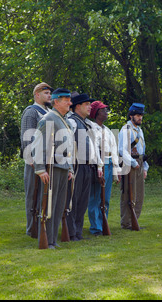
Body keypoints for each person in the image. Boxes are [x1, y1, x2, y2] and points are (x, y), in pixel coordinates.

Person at [31, 88, 74, 249]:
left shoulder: (64, 120)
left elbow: (68, 147)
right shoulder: (48, 118)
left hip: (62, 167)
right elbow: (38, 144)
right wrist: (41, 169)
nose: (70, 103)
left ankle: (52, 240)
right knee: (49, 204)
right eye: (66, 100)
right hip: (52, 167)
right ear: (56, 101)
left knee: (59, 205)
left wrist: (69, 168)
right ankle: (47, 239)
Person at [66, 93, 103, 241]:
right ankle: (70, 232)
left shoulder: (86, 123)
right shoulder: (72, 122)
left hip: (88, 166)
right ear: (78, 106)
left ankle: (78, 232)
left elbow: (93, 146)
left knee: (83, 201)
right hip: (76, 165)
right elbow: (67, 146)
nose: (90, 107)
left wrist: (97, 164)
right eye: (86, 104)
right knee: (73, 200)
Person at [20, 82, 53, 238]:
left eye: (49, 93)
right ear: (37, 95)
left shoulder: (49, 112)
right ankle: (32, 229)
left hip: (48, 161)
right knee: (33, 196)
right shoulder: (31, 112)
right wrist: (31, 159)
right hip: (34, 162)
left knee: (44, 196)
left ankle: (42, 226)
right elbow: (27, 137)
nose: (49, 96)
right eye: (45, 93)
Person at [87, 101, 120, 235]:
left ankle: (103, 222)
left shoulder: (108, 130)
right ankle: (96, 227)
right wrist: (99, 166)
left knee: (105, 198)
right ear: (96, 113)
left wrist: (117, 170)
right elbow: (93, 150)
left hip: (109, 164)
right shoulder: (92, 129)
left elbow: (114, 151)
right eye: (103, 110)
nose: (106, 112)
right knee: (95, 197)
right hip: (99, 165)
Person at [118, 103, 149, 230]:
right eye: (137, 115)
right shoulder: (126, 129)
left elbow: (143, 151)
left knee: (139, 194)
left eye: (141, 115)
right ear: (131, 116)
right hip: (129, 163)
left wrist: (145, 166)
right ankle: (126, 222)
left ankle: (135, 220)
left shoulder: (139, 130)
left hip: (139, 163)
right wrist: (133, 162)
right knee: (128, 194)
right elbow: (122, 150)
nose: (140, 117)